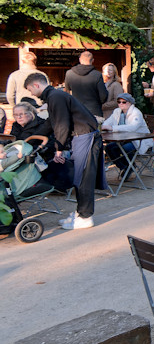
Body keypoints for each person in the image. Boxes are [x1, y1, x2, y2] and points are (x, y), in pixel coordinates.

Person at [25, 73, 105, 230]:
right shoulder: (55, 96)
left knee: (83, 177)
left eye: (30, 90)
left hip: (85, 137)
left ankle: (85, 217)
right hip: (81, 137)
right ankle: (80, 213)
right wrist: (29, 139)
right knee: (79, 176)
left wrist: (59, 149)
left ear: (36, 85)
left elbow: (62, 124)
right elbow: (51, 123)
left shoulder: (55, 96)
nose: (31, 94)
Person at [100, 93, 153, 178]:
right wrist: (103, 126)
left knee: (125, 148)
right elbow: (108, 122)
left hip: (138, 140)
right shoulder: (117, 111)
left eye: (124, 102)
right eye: (119, 102)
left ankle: (129, 166)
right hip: (123, 139)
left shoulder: (136, 113)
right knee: (109, 148)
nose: (121, 104)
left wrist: (112, 128)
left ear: (130, 103)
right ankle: (126, 167)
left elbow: (133, 127)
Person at [64, 51, 108, 121]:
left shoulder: (69, 73)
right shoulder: (97, 75)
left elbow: (66, 92)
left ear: (79, 60)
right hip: (94, 112)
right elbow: (103, 97)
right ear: (93, 60)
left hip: (76, 111)